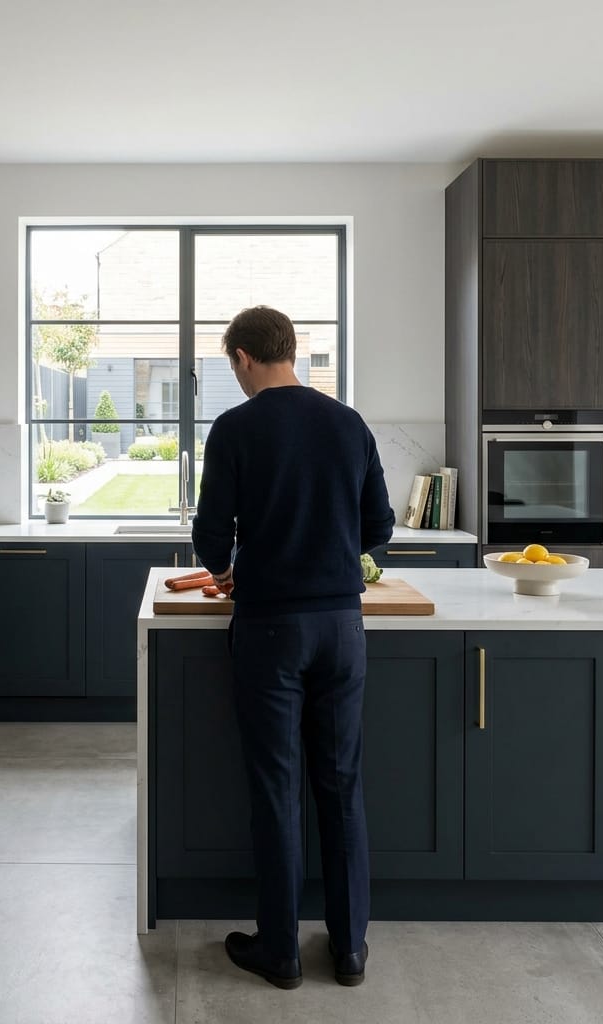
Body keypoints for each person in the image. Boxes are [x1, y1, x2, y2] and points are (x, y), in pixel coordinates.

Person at [191, 305, 394, 990]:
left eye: (232, 365)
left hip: (270, 630)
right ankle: (350, 948)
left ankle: (280, 951)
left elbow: (211, 536)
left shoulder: (235, 427)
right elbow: (379, 526)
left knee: (277, 789)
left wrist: (227, 566)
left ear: (243, 358)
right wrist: (329, 549)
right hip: (341, 627)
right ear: (291, 351)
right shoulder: (349, 423)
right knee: (340, 787)